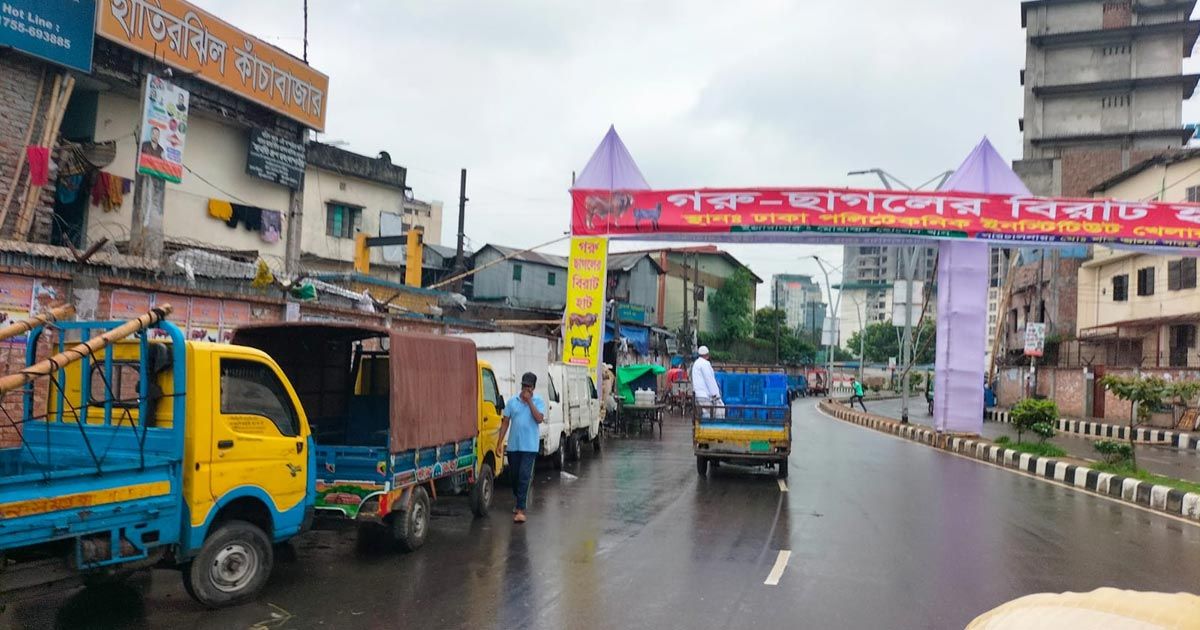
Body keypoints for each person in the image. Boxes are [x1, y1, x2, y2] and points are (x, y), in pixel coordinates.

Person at [497, 372, 545, 524]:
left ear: (533, 388)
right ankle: (519, 500)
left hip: (529, 447)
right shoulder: (512, 402)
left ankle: (520, 510)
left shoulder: (538, 401)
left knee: (524, 476)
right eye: (524, 386)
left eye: (529, 387)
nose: (526, 389)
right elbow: (505, 422)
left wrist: (529, 402)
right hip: (513, 446)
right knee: (515, 477)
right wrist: (499, 442)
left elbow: (539, 419)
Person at [691, 346, 722, 418]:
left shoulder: (696, 363)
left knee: (705, 413)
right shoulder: (705, 364)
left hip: (698, 395)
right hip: (705, 396)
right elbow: (709, 380)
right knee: (718, 411)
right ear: (707, 355)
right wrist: (716, 394)